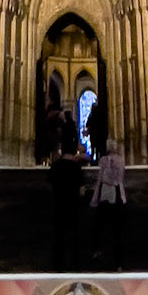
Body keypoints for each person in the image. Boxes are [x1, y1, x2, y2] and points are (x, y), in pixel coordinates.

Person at [49, 112, 84, 267]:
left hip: (58, 205)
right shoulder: (76, 168)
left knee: (59, 237)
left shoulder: (56, 166)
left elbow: (50, 182)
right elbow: (82, 188)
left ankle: (58, 264)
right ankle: (75, 263)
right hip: (73, 206)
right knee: (74, 236)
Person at [89, 138, 126, 269]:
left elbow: (116, 178)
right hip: (107, 195)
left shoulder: (118, 160)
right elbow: (102, 178)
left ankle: (116, 261)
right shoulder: (105, 160)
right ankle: (101, 254)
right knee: (103, 227)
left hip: (114, 195)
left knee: (114, 229)